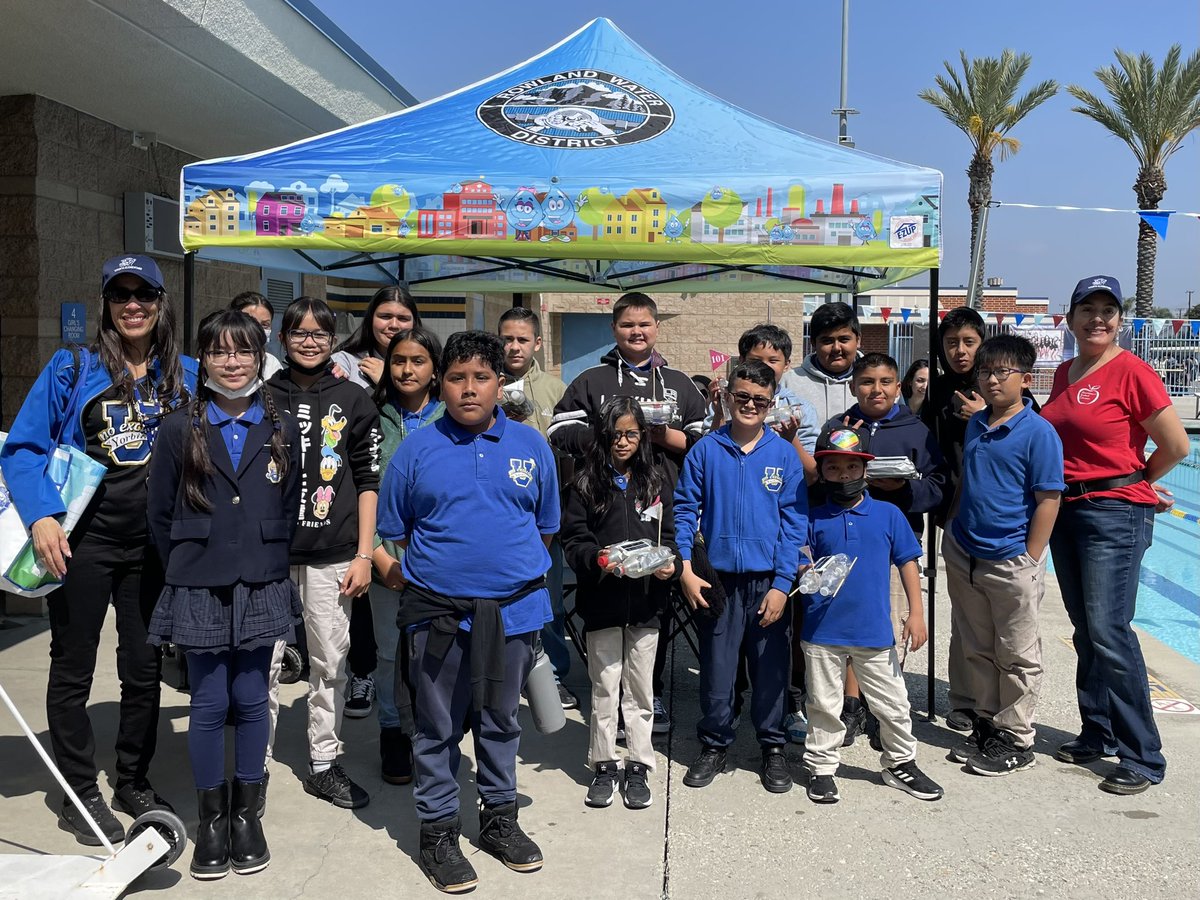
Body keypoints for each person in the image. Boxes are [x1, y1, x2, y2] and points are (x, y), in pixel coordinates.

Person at [0, 253, 196, 845]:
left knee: (142, 670)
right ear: (107, 305)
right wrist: (42, 517)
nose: (132, 304)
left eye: (144, 294)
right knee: (73, 666)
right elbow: (25, 448)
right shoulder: (72, 367)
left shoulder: (182, 373)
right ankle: (78, 787)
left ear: (161, 304)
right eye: (120, 295)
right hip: (81, 543)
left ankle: (132, 777)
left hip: (151, 549)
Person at [377, 331, 559, 893]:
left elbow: (546, 529)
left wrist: (501, 581)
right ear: (441, 383)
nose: (469, 389)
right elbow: (392, 532)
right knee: (435, 728)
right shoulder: (416, 449)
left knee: (502, 722)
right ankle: (438, 831)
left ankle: (500, 819)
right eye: (456, 377)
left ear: (500, 382)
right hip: (436, 618)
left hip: (513, 616)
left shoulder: (532, 447)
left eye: (481, 377)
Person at [146, 310, 301, 879]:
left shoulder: (279, 423)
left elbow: (287, 503)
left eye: (242, 352)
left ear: (260, 358)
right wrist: (188, 563)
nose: (231, 363)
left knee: (253, 697)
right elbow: (160, 513)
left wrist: (263, 555)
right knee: (210, 703)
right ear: (202, 360)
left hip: (262, 577)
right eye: (218, 353)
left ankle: (246, 815)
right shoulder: (178, 427)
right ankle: (212, 820)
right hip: (199, 580)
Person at [1041, 275, 1189, 796]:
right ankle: (1097, 730)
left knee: (1109, 630)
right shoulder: (1063, 373)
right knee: (1086, 629)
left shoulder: (1132, 371)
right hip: (1070, 509)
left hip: (1114, 515)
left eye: (1108, 310)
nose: (1097, 318)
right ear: (1071, 316)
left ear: (1120, 320)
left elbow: (1175, 446)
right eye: (1088, 309)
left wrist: (1138, 483)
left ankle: (1143, 755)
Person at [550, 292, 707, 734]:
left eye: (644, 324)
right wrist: (611, 434)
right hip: (604, 511)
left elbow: (705, 440)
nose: (636, 332)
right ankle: (610, 703)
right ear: (613, 329)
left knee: (653, 611)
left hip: (662, 507)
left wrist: (659, 436)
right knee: (604, 606)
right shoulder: (593, 378)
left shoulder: (677, 381)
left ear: (657, 328)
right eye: (626, 325)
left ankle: (647, 695)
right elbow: (559, 429)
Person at [263, 296, 381, 811]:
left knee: (329, 661)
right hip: (266, 554)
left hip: (334, 553)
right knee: (262, 664)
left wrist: (363, 554)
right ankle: (254, 768)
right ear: (282, 338)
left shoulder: (355, 399)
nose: (308, 340)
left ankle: (324, 763)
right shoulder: (260, 395)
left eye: (319, 332)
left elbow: (369, 481)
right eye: (298, 332)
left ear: (333, 339)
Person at [674, 361, 807, 794]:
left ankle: (772, 747)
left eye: (760, 400)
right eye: (743, 396)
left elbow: (793, 525)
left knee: (771, 669)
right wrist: (686, 569)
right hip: (717, 582)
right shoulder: (706, 450)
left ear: (771, 404)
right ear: (727, 396)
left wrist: (783, 586)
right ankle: (715, 742)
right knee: (717, 668)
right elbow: (682, 512)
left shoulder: (783, 455)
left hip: (767, 582)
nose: (750, 405)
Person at [801, 422, 942, 804]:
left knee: (893, 703)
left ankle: (900, 762)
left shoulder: (889, 514)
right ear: (822, 470)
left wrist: (917, 613)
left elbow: (909, 561)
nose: (842, 475)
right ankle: (822, 766)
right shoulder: (812, 517)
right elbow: (800, 560)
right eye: (832, 468)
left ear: (866, 469)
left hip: (874, 632)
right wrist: (805, 570)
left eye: (851, 467)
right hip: (821, 631)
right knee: (823, 704)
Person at [941, 334, 1064, 776]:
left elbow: (1049, 499)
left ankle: (1016, 737)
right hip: (966, 551)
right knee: (977, 645)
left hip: (1011, 558)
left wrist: (1030, 558)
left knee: (1016, 651)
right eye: (985, 372)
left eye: (1001, 372)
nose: (991, 380)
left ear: (1026, 379)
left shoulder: (1039, 433)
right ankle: (989, 724)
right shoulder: (978, 423)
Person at [560, 397, 677, 811]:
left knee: (641, 691)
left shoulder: (657, 479)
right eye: (614, 434)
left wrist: (669, 565)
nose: (622, 442)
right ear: (602, 436)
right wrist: (598, 560)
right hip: (603, 603)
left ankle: (639, 765)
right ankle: (604, 764)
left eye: (630, 433)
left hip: (647, 605)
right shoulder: (584, 482)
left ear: (643, 435)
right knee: (605, 687)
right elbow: (574, 540)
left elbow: (670, 536)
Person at [835, 353, 947, 747]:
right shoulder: (841, 427)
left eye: (885, 382)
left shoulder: (917, 431)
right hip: (846, 542)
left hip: (895, 544)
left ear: (898, 387)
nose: (876, 389)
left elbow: (937, 487)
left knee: (892, 625)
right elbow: (822, 480)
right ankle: (851, 706)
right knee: (851, 623)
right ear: (853, 386)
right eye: (867, 382)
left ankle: (884, 708)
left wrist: (902, 489)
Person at [331, 287, 421, 719]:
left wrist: (389, 372)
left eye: (403, 317)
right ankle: (366, 681)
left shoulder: (438, 405)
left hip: (424, 549)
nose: (394, 324)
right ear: (370, 319)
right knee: (369, 620)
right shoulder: (346, 366)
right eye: (385, 315)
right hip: (367, 527)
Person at [369, 327, 445, 786]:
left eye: (418, 361)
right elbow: (357, 489)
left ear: (434, 368)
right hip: (385, 562)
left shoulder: (452, 417)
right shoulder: (368, 415)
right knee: (388, 653)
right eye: (398, 361)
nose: (407, 370)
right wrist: (378, 555)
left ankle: (433, 734)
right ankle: (393, 731)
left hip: (440, 564)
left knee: (437, 654)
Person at [497, 307, 575, 709]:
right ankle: (503, 672)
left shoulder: (557, 390)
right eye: (507, 338)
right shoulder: (483, 383)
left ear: (537, 344)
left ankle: (552, 673)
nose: (513, 346)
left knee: (549, 601)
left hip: (542, 517)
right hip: (495, 516)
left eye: (522, 339)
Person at [920, 306, 987, 733]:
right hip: (955, 515)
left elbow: (1032, 431)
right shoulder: (939, 391)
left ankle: (994, 701)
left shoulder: (1000, 383)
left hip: (1003, 517)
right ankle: (963, 699)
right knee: (964, 613)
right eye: (951, 343)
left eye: (968, 342)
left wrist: (983, 415)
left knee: (1000, 617)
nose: (959, 351)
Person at [778, 301, 860, 422]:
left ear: (858, 340)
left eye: (844, 339)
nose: (836, 348)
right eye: (827, 341)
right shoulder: (788, 382)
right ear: (813, 343)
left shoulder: (876, 382)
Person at [229, 291, 283, 379]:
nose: (258, 329)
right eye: (251, 322)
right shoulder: (218, 361)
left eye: (265, 324)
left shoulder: (272, 364)